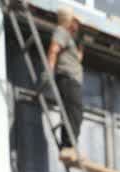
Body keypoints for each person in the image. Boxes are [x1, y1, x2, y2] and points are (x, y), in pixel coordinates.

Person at [47, 7, 84, 162]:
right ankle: (68, 147)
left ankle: (68, 147)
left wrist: (80, 42)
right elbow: (53, 49)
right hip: (67, 78)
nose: (77, 24)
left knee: (74, 113)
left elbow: (78, 58)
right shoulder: (62, 31)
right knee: (73, 112)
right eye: (75, 21)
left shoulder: (71, 39)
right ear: (68, 20)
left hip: (72, 80)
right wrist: (49, 71)